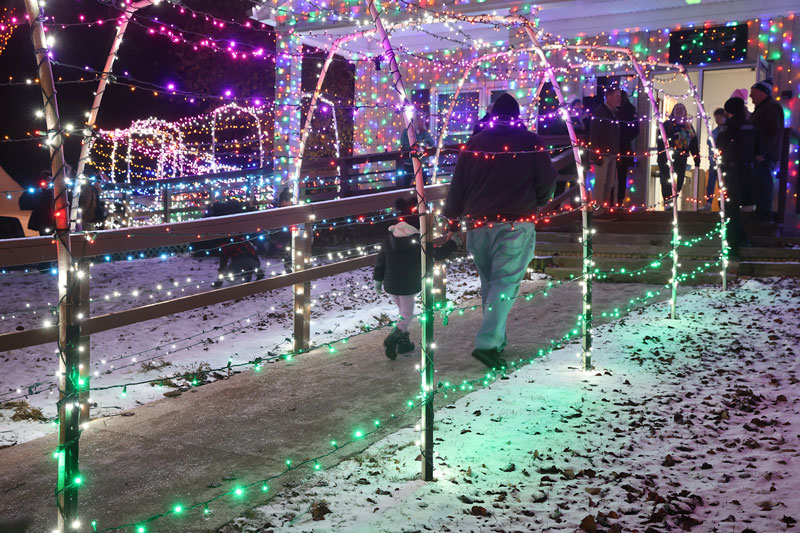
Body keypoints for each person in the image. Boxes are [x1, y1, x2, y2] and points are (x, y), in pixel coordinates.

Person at [443, 93, 557, 369]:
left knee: (491, 285)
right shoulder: (531, 142)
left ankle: (496, 340)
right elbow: (548, 180)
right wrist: (539, 201)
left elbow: (458, 185)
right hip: (515, 221)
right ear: (518, 116)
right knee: (505, 284)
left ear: (493, 115)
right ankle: (487, 343)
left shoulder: (475, 143)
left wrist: (452, 220)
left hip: (479, 225)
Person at [373, 197, 460, 360]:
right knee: (407, 314)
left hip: (391, 285)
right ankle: (394, 337)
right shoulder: (420, 241)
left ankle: (403, 344)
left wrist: (378, 281)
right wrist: (453, 242)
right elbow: (437, 254)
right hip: (408, 286)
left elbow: (380, 261)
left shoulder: (389, 239)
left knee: (402, 313)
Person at [717, 95, 757, 260]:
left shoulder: (727, 127)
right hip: (749, 170)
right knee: (745, 207)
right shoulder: (751, 126)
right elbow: (758, 148)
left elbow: (720, 146)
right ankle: (744, 239)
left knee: (731, 209)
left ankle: (733, 247)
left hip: (732, 171)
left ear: (728, 111)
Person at [749, 78, 784, 223]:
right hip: (762, 153)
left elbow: (770, 132)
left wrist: (761, 152)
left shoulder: (770, 108)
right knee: (760, 183)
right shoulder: (765, 108)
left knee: (763, 183)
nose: (750, 96)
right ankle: (761, 213)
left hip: (764, 155)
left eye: (753, 93)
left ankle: (764, 215)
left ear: (761, 93)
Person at [656, 103, 701, 207]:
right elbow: (661, 141)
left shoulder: (688, 127)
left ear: (685, 112)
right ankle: (668, 202)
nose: (679, 110)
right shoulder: (667, 125)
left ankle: (673, 200)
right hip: (667, 157)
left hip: (681, 157)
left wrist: (696, 157)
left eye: (681, 109)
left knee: (680, 180)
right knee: (666, 180)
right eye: (677, 109)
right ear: (673, 112)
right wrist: (663, 154)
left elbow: (693, 143)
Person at [589, 88, 621, 208]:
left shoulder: (614, 113)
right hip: (602, 153)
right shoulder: (600, 112)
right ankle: (598, 210)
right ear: (608, 97)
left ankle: (605, 208)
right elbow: (594, 134)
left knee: (610, 183)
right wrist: (596, 154)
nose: (619, 99)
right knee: (601, 182)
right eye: (617, 96)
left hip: (611, 153)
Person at [616, 90, 640, 206]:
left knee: (621, 175)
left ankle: (619, 201)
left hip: (623, 147)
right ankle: (614, 201)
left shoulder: (629, 110)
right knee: (615, 176)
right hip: (615, 147)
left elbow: (635, 130)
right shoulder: (611, 110)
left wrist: (623, 138)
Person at [398, 114, 435, 189]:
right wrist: (417, 146)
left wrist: (423, 143)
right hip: (409, 162)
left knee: (423, 182)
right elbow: (405, 144)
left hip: (422, 162)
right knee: (407, 182)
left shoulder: (424, 132)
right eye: (421, 121)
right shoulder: (407, 131)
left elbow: (431, 142)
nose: (423, 123)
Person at [701, 108, 726, 210]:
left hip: (725, 162)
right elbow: (710, 145)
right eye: (716, 118)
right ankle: (709, 203)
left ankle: (723, 204)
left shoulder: (727, 131)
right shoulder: (714, 132)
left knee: (723, 184)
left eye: (720, 118)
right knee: (711, 183)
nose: (718, 120)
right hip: (714, 162)